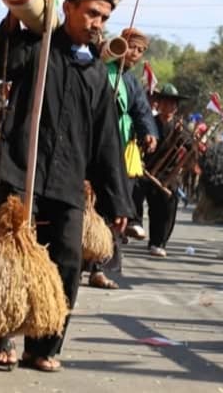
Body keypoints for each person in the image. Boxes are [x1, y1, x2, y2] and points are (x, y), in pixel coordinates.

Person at [0, 0, 131, 373]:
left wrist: (117, 199)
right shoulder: (37, 49)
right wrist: (12, 23)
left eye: (103, 17)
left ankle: (45, 344)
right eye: (91, 13)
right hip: (22, 167)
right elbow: (0, 63)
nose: (97, 22)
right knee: (12, 257)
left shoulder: (97, 74)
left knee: (66, 262)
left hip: (67, 179)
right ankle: (4, 337)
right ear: (66, 8)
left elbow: (106, 142)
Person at [89, 27, 159, 289]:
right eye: (132, 47)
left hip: (119, 151)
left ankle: (101, 266)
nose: (135, 55)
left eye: (141, 51)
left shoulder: (131, 82)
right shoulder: (98, 66)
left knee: (115, 209)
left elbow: (142, 111)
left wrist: (149, 132)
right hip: (91, 146)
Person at [140, 84, 189, 258]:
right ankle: (154, 241)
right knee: (154, 209)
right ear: (159, 104)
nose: (169, 107)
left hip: (171, 174)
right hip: (151, 171)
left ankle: (161, 242)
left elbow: (190, 147)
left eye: (173, 104)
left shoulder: (180, 127)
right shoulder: (150, 123)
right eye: (166, 103)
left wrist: (183, 137)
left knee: (169, 209)